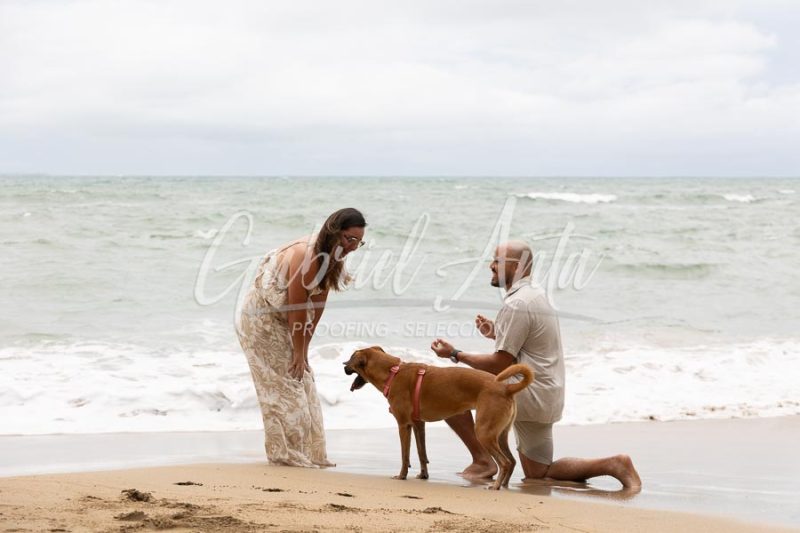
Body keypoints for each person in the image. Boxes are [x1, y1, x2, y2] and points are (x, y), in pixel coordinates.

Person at [430, 240, 641, 488]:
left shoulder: (517, 303)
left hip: (526, 394)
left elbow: (499, 364)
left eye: (497, 261)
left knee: (445, 391)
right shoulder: (535, 295)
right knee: (538, 473)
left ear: (517, 266)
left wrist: (455, 353)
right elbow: (528, 343)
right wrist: (497, 333)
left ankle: (483, 460)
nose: (491, 266)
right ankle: (613, 464)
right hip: (546, 392)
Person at [237, 208, 366, 467]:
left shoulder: (333, 256)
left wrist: (304, 350)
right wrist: (297, 353)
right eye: (350, 239)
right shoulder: (306, 256)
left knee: (304, 377)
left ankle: (311, 453)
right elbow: (296, 310)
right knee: (285, 384)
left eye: (359, 242)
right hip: (260, 322)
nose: (353, 246)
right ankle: (285, 454)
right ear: (334, 232)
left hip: (286, 319)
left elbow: (315, 307)